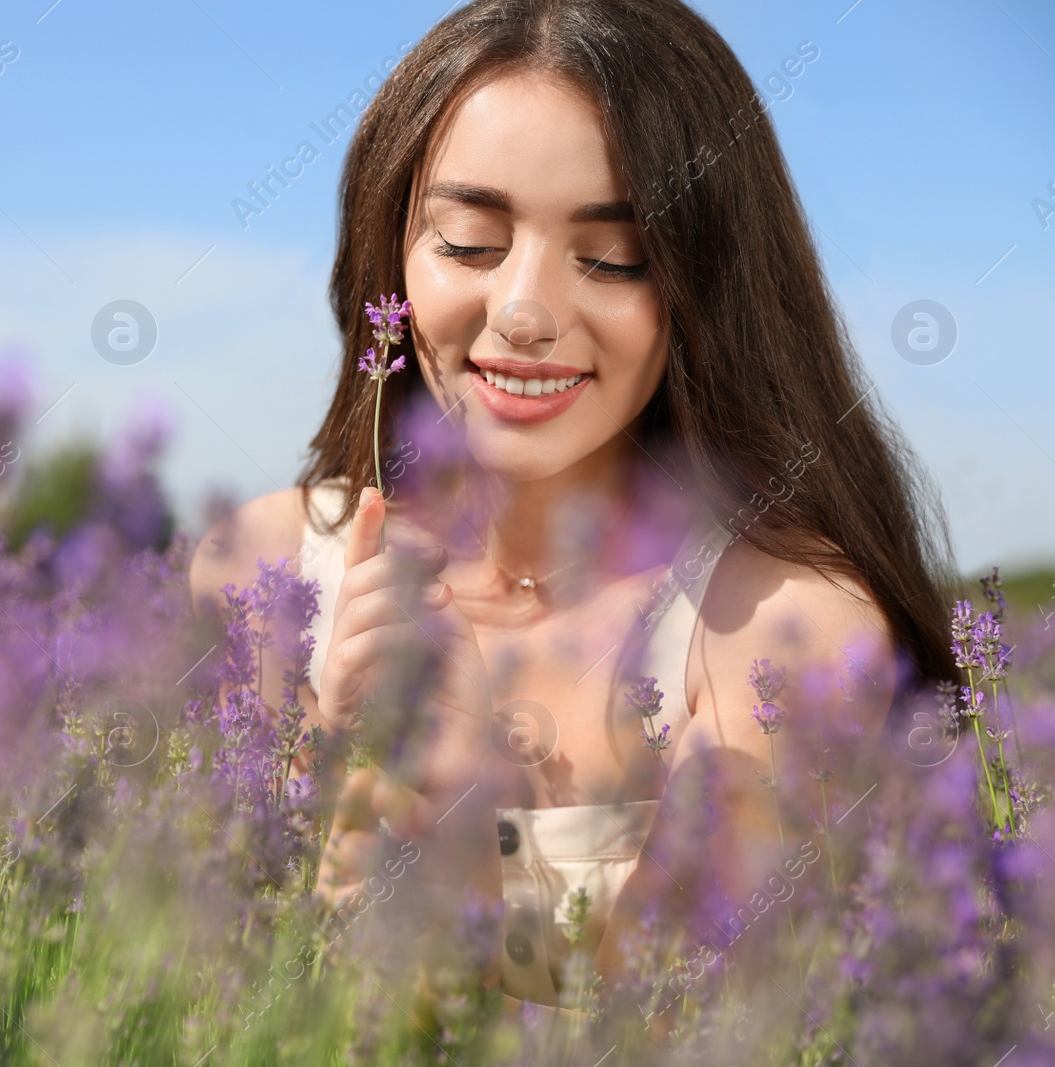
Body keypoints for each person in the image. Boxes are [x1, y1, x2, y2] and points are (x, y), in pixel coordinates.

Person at [189, 0, 955, 1008]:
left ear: (706, 284)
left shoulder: (776, 625)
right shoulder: (261, 564)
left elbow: (697, 1012)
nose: (525, 312)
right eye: (468, 241)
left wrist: (476, 811)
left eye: (611, 256)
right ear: (393, 254)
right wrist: (320, 759)